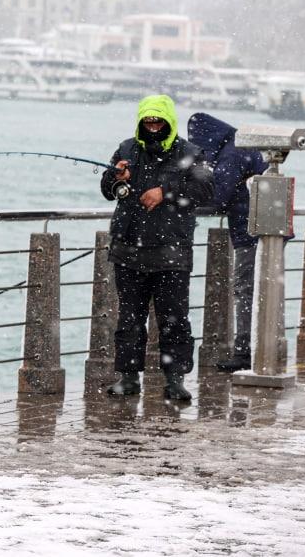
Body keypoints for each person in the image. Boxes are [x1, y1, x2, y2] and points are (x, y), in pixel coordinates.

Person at [100, 94, 213, 402]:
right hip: (128, 251)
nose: (152, 126)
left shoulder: (191, 153)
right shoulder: (126, 149)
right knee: (129, 319)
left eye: (158, 121)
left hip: (172, 253)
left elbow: (205, 190)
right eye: (147, 121)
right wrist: (115, 177)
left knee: (174, 319)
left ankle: (175, 380)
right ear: (140, 122)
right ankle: (128, 378)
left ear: (169, 121)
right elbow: (108, 190)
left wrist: (165, 191)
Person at [186, 112, 268, 373]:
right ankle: (262, 348)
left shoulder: (233, 153)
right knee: (260, 292)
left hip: (251, 232)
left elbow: (219, 195)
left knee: (245, 290)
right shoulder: (240, 145)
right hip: (264, 228)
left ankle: (245, 353)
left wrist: (183, 201)